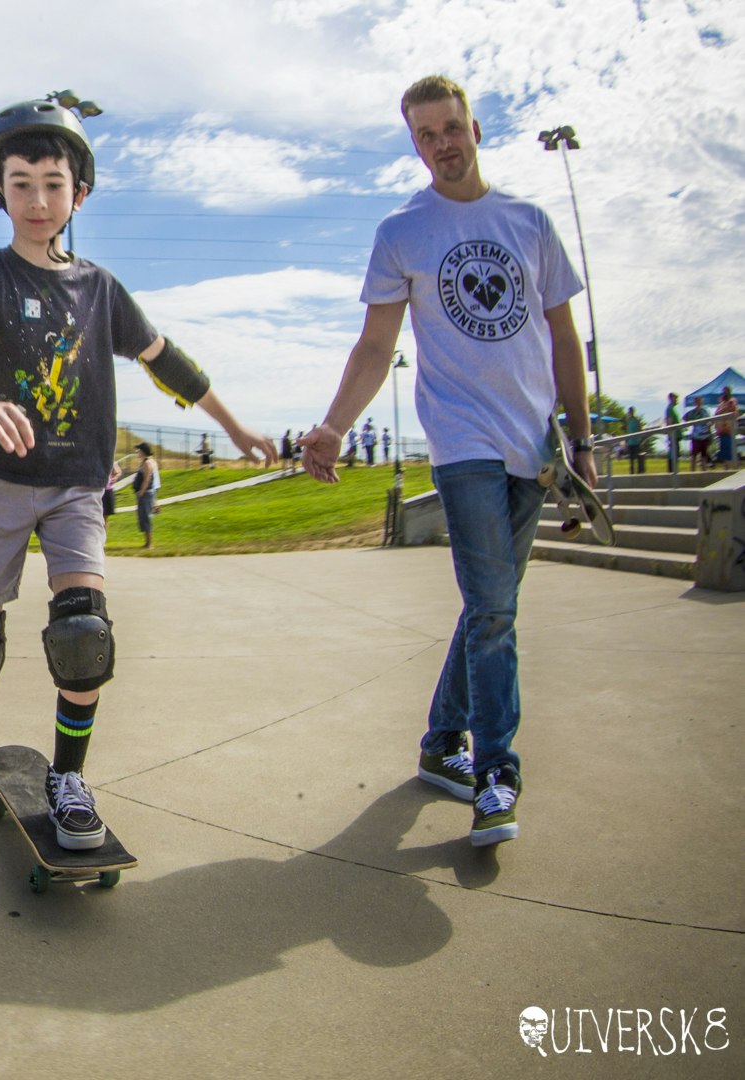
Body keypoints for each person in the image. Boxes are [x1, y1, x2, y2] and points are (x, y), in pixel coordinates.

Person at [0, 97, 275, 850]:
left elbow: (165, 359)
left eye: (52, 183)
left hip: (77, 484)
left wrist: (235, 427)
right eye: (19, 184)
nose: (37, 201)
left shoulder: (101, 288)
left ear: (80, 192)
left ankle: (68, 778)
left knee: (83, 635)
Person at [299, 75, 593, 848]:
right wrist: (333, 425)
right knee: (496, 610)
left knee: (489, 606)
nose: (442, 145)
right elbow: (376, 345)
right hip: (461, 445)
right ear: (414, 143)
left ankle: (438, 744)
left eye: (451, 128)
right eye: (426, 135)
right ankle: (497, 771)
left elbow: (564, 340)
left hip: (531, 446)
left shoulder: (528, 222)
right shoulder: (403, 230)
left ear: (475, 127)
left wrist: (584, 442)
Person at [132, 441, 159, 549]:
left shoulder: (147, 463)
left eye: (138, 450)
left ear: (143, 451)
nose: (137, 452)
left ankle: (149, 544)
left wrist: (141, 492)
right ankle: (147, 543)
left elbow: (147, 479)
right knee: (143, 517)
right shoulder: (147, 461)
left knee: (145, 517)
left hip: (145, 493)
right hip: (146, 493)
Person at [684, 397, 711, 471]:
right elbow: (685, 418)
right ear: (695, 402)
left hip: (705, 435)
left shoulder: (705, 411)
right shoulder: (692, 412)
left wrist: (709, 432)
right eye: (697, 401)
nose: (699, 402)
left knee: (704, 454)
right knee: (694, 454)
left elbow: (710, 421)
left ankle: (704, 470)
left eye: (700, 401)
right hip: (696, 436)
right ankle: (692, 471)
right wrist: (690, 424)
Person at [713, 386, 737, 466]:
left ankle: (732, 466)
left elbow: (731, 409)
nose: (725, 393)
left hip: (729, 429)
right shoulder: (721, 404)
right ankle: (726, 466)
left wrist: (723, 411)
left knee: (729, 448)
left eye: (726, 391)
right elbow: (716, 414)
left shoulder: (732, 401)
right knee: (723, 449)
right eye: (724, 392)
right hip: (721, 430)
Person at [624, 407, 645, 474]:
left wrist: (640, 440)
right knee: (631, 459)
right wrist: (626, 441)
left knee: (637, 456)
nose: (630, 413)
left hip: (636, 441)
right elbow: (627, 431)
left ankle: (639, 471)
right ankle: (632, 472)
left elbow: (640, 429)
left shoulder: (636, 420)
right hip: (630, 442)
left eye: (631, 411)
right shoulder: (628, 421)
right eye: (629, 412)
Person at [664, 391, 682, 473]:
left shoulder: (673, 408)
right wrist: (670, 436)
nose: (677, 400)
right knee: (673, 454)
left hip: (676, 435)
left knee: (675, 454)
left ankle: (674, 471)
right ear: (671, 399)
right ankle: (672, 472)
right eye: (676, 398)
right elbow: (669, 422)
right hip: (673, 436)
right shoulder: (670, 409)